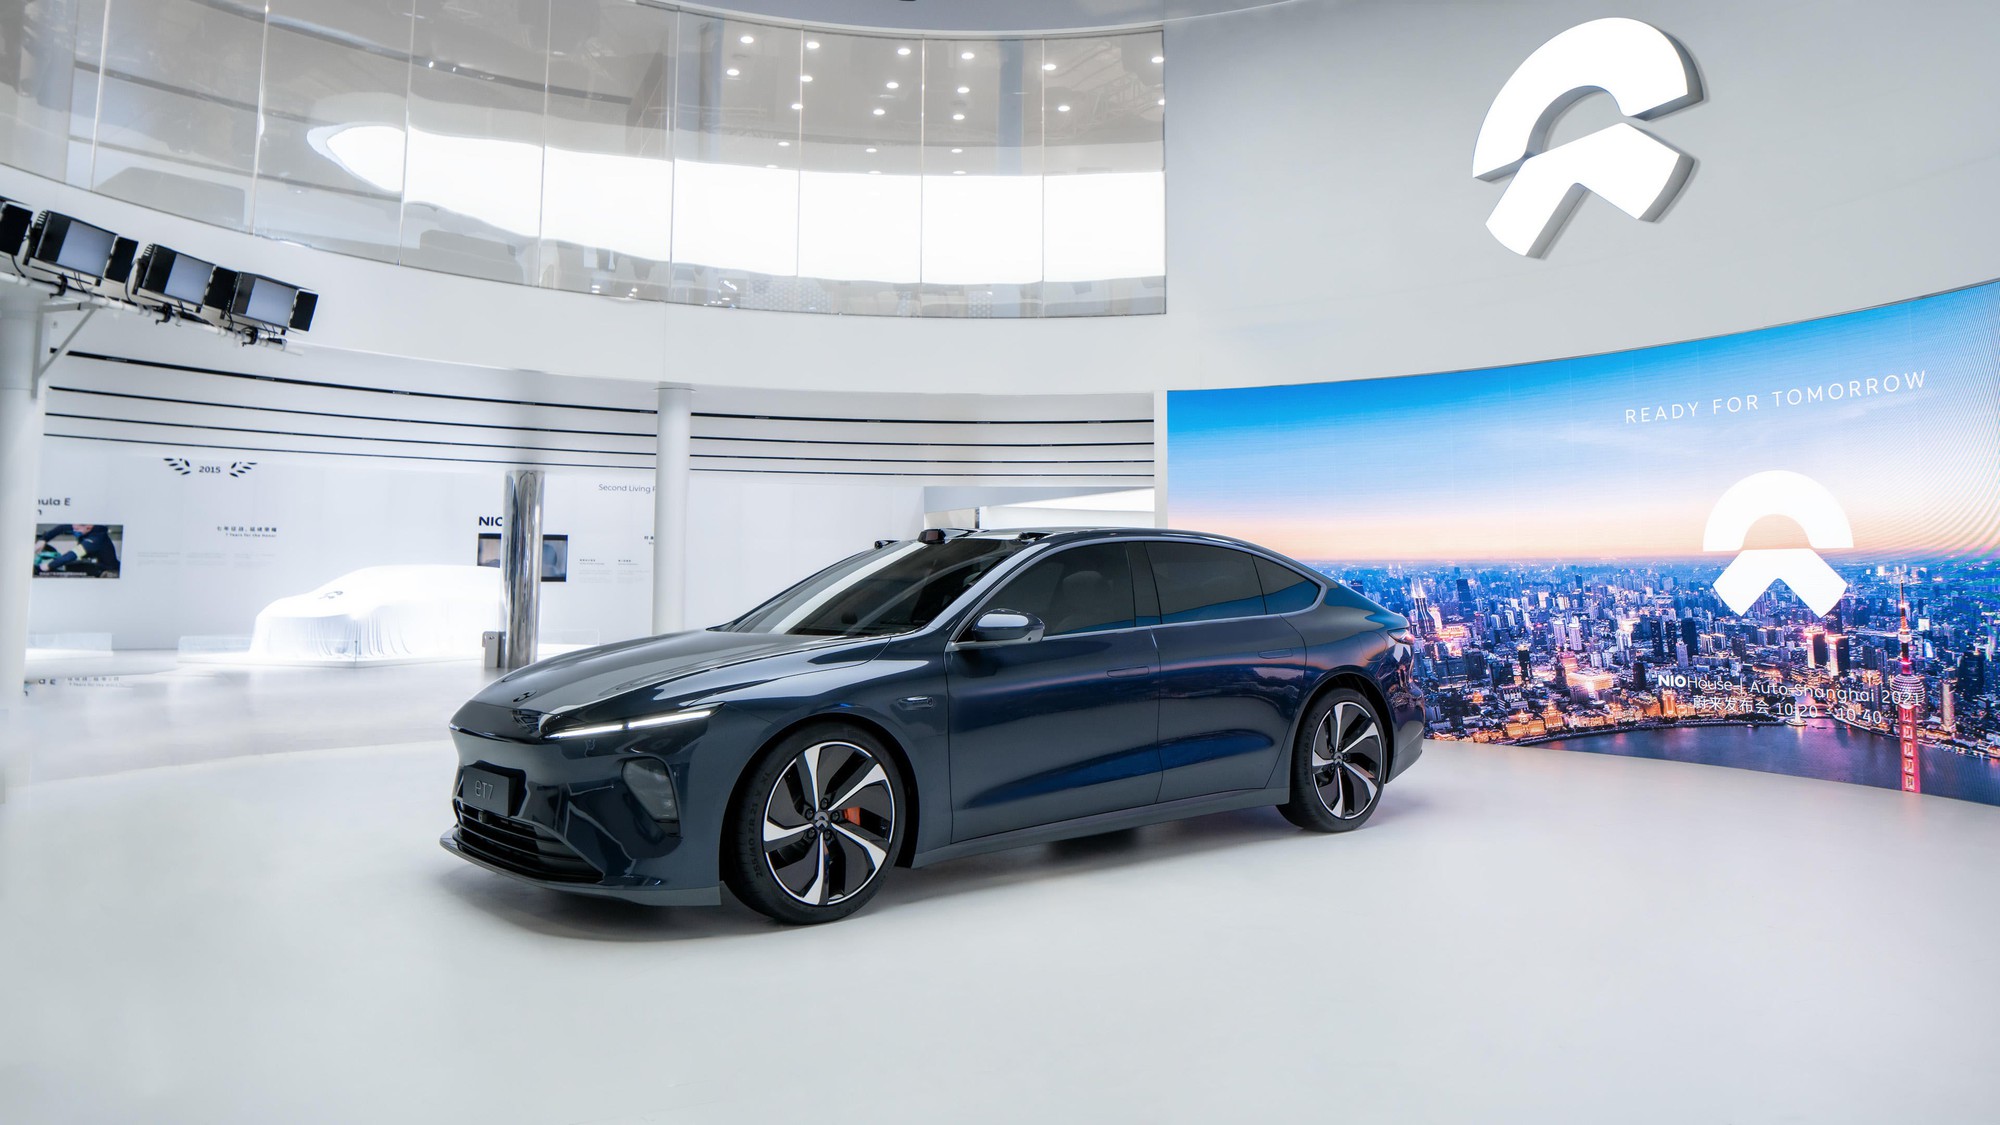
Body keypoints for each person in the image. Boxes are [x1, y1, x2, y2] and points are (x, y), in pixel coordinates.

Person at [34, 524, 120, 578]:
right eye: (73, 528)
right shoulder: (82, 525)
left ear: (88, 527)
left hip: (106, 569)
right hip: (93, 562)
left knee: (61, 567)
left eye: (77, 529)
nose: (74, 531)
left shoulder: (96, 539)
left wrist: (49, 566)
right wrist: (44, 540)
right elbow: (61, 528)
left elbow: (72, 554)